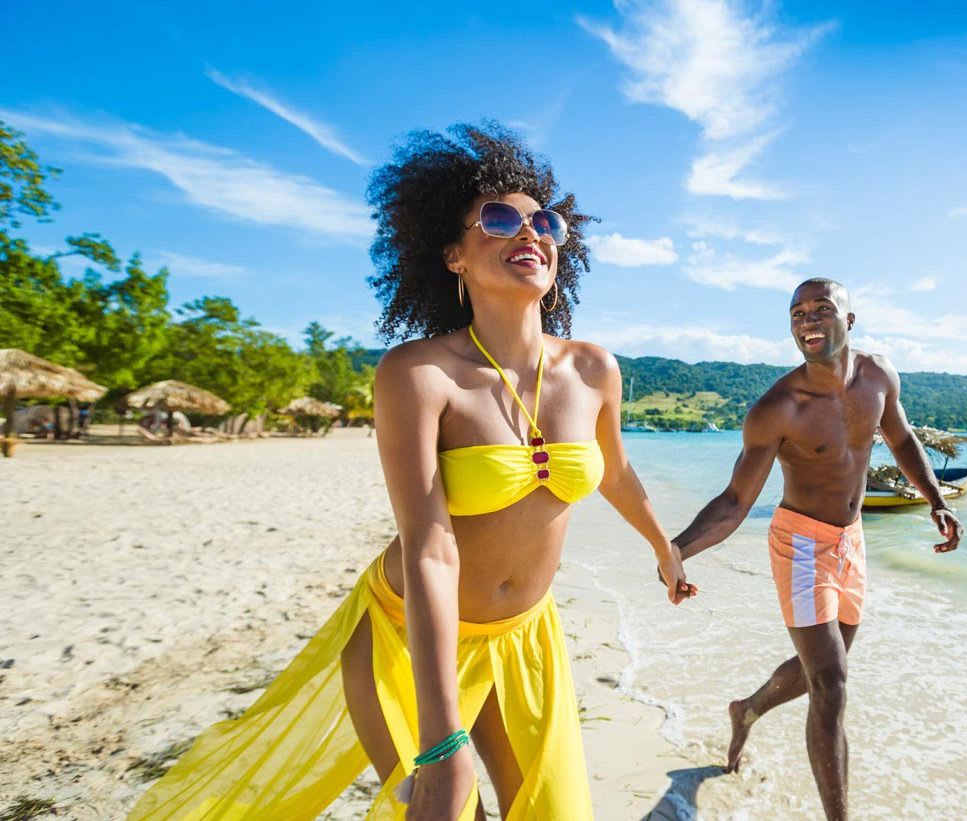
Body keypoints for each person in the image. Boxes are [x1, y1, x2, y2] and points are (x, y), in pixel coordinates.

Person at [128, 123, 695, 821]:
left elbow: (616, 473)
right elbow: (430, 547)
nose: (530, 231)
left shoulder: (593, 368)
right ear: (453, 255)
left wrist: (663, 547)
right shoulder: (419, 373)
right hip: (408, 637)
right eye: (499, 219)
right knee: (448, 811)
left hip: (525, 635)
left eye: (545, 221)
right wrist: (441, 738)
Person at [671, 277, 963, 821]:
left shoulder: (878, 376)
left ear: (848, 320)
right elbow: (735, 500)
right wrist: (676, 550)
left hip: (852, 539)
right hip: (800, 543)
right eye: (797, 313)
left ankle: (747, 709)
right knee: (831, 684)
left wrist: (936, 500)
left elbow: (901, 438)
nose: (807, 320)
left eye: (821, 309)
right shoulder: (779, 408)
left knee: (826, 668)